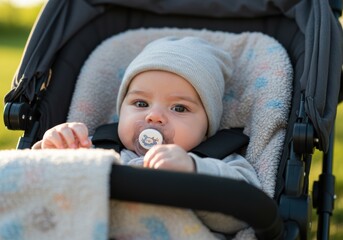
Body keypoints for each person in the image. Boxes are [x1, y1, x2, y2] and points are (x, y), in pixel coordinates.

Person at [32, 36, 261, 236]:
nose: (154, 116)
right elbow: (41, 187)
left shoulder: (218, 162)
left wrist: (194, 171)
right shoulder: (93, 149)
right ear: (121, 112)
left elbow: (245, 211)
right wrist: (53, 149)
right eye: (141, 103)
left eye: (179, 108)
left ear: (207, 126)